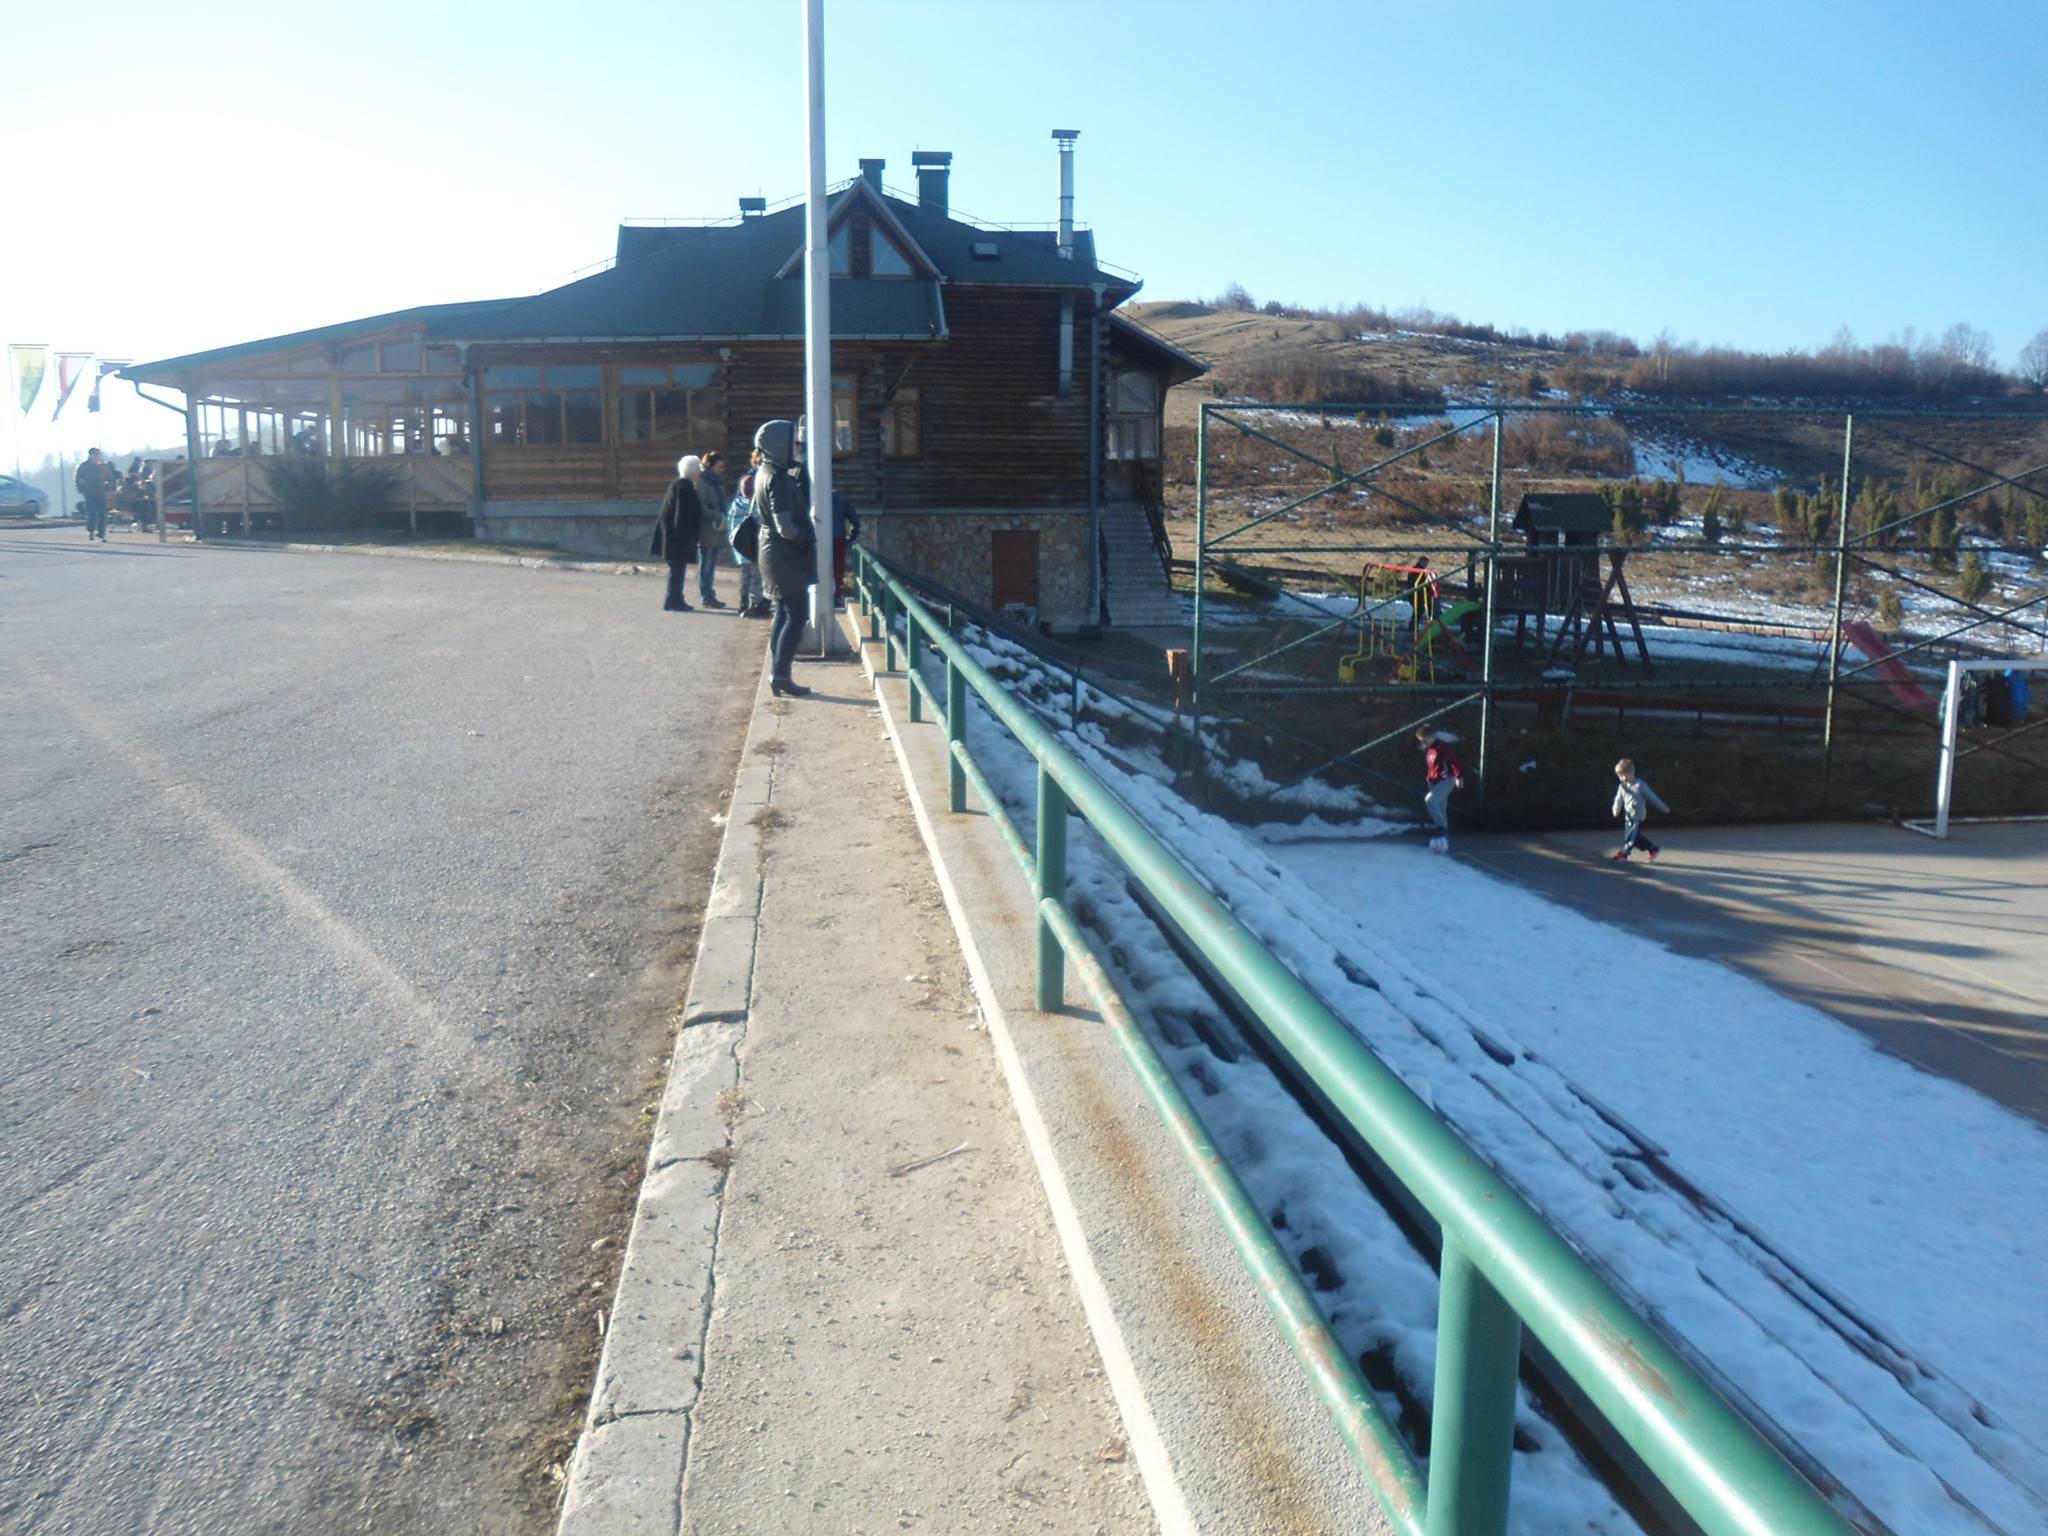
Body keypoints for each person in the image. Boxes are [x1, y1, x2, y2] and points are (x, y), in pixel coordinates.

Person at [751, 419, 817, 697]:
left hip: (772, 553)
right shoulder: (777, 478)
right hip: (785, 556)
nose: (797, 447)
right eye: (793, 442)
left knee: (783, 613)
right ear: (779, 444)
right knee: (796, 615)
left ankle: (778, 672)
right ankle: (780, 674)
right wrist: (808, 537)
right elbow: (785, 527)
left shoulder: (764, 472)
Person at [650, 454, 703, 612]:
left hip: (673, 536)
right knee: (677, 570)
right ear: (692, 471)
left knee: (677, 570)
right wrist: (687, 539)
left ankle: (675, 599)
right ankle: (673, 600)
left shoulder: (679, 485)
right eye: (698, 469)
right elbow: (682, 516)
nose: (700, 473)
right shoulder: (684, 488)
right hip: (677, 538)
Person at [1609, 758, 1669, 862]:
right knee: (1635, 838)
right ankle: (1653, 849)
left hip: (1637, 816)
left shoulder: (1640, 785)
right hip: (1628, 817)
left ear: (1631, 773)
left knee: (1631, 837)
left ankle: (1624, 854)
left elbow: (1652, 797)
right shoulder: (1622, 786)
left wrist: (1663, 807)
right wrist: (1616, 809)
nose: (1621, 778)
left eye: (1622, 775)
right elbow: (1618, 799)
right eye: (1619, 776)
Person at [727, 460, 767, 616]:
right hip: (753, 547)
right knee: (756, 577)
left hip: (740, 547)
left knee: (745, 577)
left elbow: (730, 525)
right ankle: (754, 604)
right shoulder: (756, 506)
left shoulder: (735, 504)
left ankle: (743, 603)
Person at [1416, 725, 1464, 855]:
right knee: (1441, 810)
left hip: (1447, 780)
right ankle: (1442, 841)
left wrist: (1459, 777)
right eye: (1421, 741)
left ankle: (1441, 829)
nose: (1423, 743)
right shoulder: (1429, 749)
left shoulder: (1442, 747)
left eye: (1424, 740)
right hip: (1434, 782)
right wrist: (1430, 779)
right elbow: (1432, 767)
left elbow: (1454, 762)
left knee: (1430, 801)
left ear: (1432, 737)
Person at [694, 450, 730, 608]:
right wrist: (717, 515)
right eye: (719, 466)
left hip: (717, 528)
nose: (722, 470)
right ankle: (706, 597)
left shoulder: (716, 482)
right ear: (710, 465)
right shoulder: (702, 482)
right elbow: (700, 506)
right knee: (706, 565)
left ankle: (710, 595)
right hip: (706, 529)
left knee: (711, 565)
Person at [75, 449, 117, 541]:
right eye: (94, 455)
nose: (96, 456)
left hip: (101, 492)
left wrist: (109, 488)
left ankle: (101, 534)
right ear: (90, 455)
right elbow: (78, 478)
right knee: (91, 513)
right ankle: (91, 531)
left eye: (98, 454)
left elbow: (110, 478)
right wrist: (81, 489)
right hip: (89, 492)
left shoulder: (103, 466)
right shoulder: (84, 466)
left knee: (103, 514)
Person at [830, 489, 861, 608]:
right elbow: (856, 522)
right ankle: (836, 596)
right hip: (837, 540)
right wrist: (851, 538)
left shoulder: (814, 497)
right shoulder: (841, 500)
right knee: (837, 569)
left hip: (818, 540)